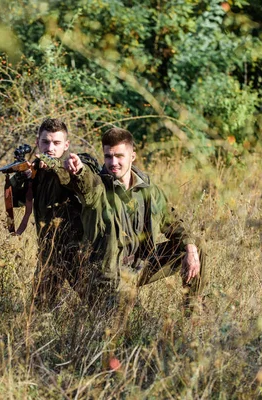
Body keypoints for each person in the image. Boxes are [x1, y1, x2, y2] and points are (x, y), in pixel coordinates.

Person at [58, 127, 204, 311]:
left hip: (140, 266)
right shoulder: (99, 188)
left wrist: (190, 249)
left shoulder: (149, 191)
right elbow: (85, 182)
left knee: (194, 245)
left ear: (132, 156)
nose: (113, 163)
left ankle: (193, 313)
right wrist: (78, 170)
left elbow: (174, 224)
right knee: (139, 330)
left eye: (119, 156)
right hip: (108, 277)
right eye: (108, 157)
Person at [10, 118, 100, 310]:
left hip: (78, 254)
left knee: (100, 307)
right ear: (38, 142)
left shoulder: (75, 164)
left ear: (66, 145)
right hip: (48, 256)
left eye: (57, 143)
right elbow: (16, 201)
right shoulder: (37, 172)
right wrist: (21, 177)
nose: (51, 148)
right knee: (38, 311)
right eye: (46, 142)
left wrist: (52, 163)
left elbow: (84, 184)